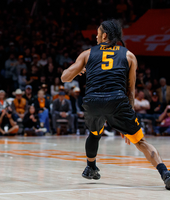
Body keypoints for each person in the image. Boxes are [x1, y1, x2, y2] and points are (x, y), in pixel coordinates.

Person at [61, 19, 170, 189]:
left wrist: (78, 71)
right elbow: (130, 91)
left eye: (98, 32)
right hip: (117, 100)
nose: (96, 36)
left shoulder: (87, 54)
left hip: (92, 101)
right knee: (140, 141)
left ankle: (91, 167)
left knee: (95, 133)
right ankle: (165, 173)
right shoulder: (129, 55)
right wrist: (126, 122)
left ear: (104, 35)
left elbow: (64, 78)